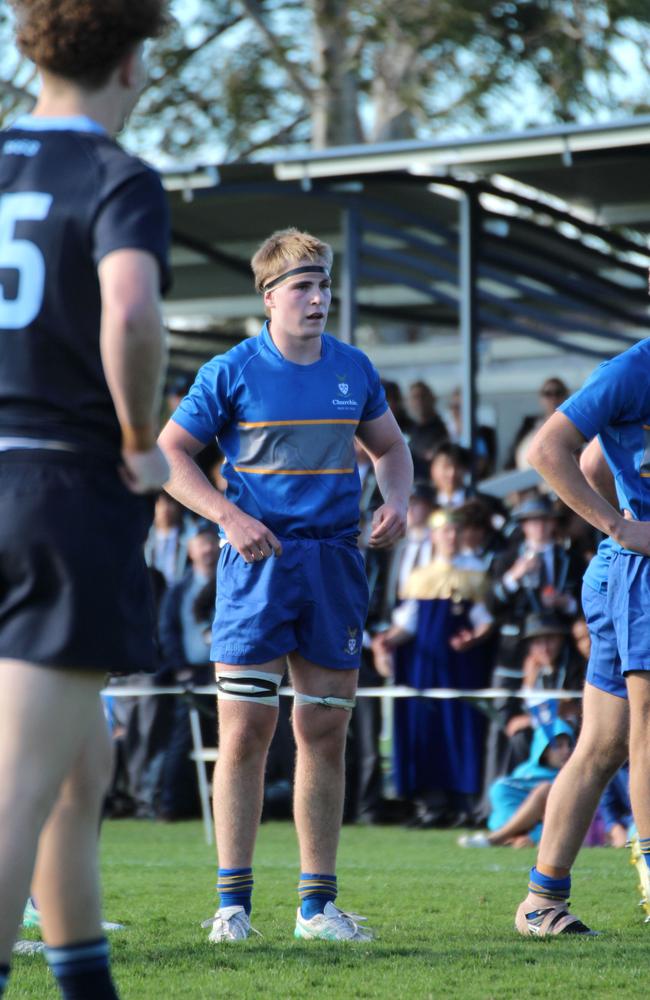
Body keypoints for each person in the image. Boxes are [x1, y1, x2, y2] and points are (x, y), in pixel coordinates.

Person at [158, 227, 413, 942]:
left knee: (324, 729)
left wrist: (398, 498)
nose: (319, 299)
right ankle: (232, 907)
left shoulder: (353, 368)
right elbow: (171, 453)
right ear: (269, 297)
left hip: (333, 562)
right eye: (304, 287)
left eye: (325, 285)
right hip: (258, 566)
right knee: (244, 732)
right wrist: (227, 516)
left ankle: (315, 910)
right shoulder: (231, 370)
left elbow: (391, 447)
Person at [0, 2, 171, 997]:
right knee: (23, 784)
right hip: (56, 486)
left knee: (77, 771)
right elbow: (133, 312)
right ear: (133, 60)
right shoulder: (114, 175)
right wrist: (142, 442)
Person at [514, 349, 650, 936]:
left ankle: (540, 903)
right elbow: (548, 450)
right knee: (641, 734)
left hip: (623, 570)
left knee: (603, 745)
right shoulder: (630, 371)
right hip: (637, 573)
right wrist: (620, 526)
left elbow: (596, 460)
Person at [372, 507, 495, 827]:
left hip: (461, 667)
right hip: (426, 669)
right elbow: (408, 624)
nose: (451, 537)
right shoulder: (420, 576)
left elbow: (484, 620)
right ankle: (431, 804)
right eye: (445, 531)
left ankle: (463, 803)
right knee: (427, 730)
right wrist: (387, 641)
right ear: (434, 536)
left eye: (455, 531)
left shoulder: (474, 572)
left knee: (461, 728)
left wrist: (474, 636)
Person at [459, 723, 574, 848]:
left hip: (564, 828)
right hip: (527, 830)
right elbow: (505, 811)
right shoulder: (525, 771)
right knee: (499, 788)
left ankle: (496, 838)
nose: (567, 750)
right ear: (544, 749)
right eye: (559, 745)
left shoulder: (575, 776)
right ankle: (512, 836)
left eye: (569, 745)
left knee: (545, 790)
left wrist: (533, 836)